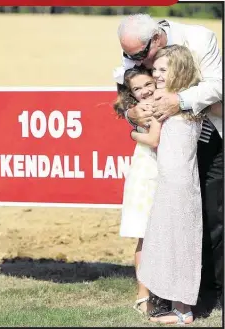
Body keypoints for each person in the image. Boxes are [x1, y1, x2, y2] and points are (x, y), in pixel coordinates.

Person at [114, 14, 223, 313]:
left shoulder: (201, 39)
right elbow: (124, 93)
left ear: (157, 40)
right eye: (128, 55)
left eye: (138, 56)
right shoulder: (136, 52)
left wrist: (179, 101)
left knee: (213, 213)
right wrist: (132, 115)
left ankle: (213, 292)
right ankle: (175, 294)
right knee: (165, 222)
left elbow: (217, 87)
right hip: (167, 148)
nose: (134, 62)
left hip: (210, 131)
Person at [137, 44, 210, 325]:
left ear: (178, 71)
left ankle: (183, 311)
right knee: (178, 240)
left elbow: (150, 129)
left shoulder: (169, 101)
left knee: (178, 241)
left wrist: (133, 130)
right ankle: (180, 306)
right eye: (154, 69)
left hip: (176, 184)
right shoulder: (183, 102)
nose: (155, 73)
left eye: (162, 69)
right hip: (178, 182)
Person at [113, 66, 161, 316]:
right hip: (147, 170)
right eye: (137, 89)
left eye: (147, 84)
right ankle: (144, 294)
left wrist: (132, 133)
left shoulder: (160, 101)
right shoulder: (143, 109)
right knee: (145, 234)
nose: (144, 91)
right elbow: (154, 140)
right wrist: (134, 133)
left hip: (160, 168)